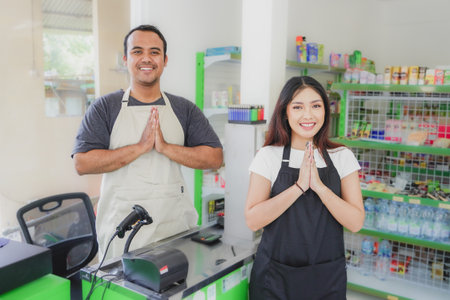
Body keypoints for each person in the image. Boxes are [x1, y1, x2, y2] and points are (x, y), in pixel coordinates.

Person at [72, 25, 223, 259]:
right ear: (126, 59)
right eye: (137, 51)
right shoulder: (104, 108)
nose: (146, 58)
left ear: (165, 60)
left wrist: (166, 148)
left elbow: (215, 158)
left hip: (174, 227)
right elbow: (83, 163)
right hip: (123, 229)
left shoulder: (184, 109)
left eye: (154, 52)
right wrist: (140, 147)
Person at [245, 76, 364, 299]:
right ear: (285, 112)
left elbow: (355, 222)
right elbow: (253, 220)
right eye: (298, 107)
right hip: (275, 279)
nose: (308, 115)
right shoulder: (268, 156)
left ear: (325, 112)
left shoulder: (342, 157)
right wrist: (299, 187)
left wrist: (320, 187)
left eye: (316, 106)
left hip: (326, 278)